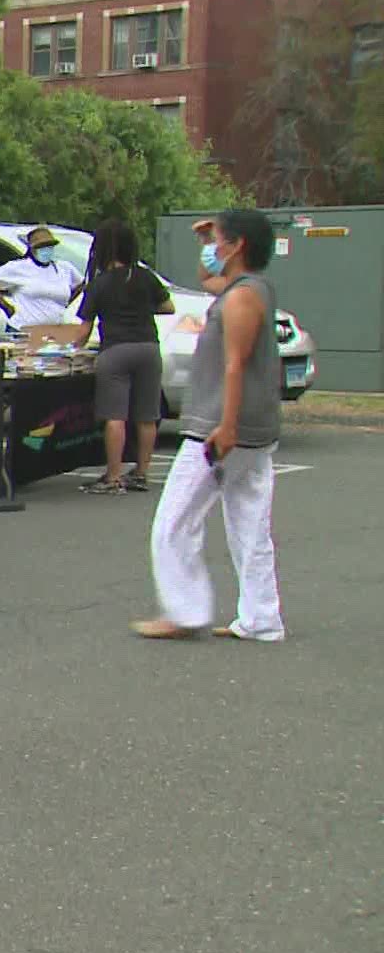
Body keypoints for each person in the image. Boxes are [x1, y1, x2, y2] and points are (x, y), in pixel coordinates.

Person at [134, 211, 285, 643]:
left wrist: (226, 426)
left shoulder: (241, 299)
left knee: (174, 521)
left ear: (236, 246)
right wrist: (205, 247)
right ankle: (261, 619)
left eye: (216, 240)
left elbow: (234, 364)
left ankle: (184, 613)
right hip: (253, 430)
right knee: (249, 525)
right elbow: (208, 281)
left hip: (220, 428)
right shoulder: (250, 290)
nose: (210, 248)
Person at [64, 219, 174, 495]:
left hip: (116, 350)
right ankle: (141, 473)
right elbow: (168, 306)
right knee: (147, 416)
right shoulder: (144, 277)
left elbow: (84, 329)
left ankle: (113, 476)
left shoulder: (100, 284)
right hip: (148, 347)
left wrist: (69, 348)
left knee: (116, 416)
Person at [0, 226, 86, 331]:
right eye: (41, 247)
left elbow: (81, 284)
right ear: (31, 248)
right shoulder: (18, 267)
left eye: (49, 246)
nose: (46, 250)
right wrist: (7, 307)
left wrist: (65, 304)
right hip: (22, 329)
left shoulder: (65, 268)